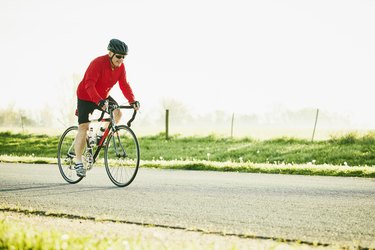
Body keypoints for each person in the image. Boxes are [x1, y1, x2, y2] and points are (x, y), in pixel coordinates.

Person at [74, 38, 140, 177]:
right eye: (118, 56)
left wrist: (132, 101)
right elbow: (89, 85)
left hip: (103, 96)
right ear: (110, 53)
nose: (121, 59)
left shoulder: (121, 67)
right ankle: (78, 161)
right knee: (83, 127)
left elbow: (124, 85)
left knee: (117, 113)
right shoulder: (97, 63)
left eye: (123, 57)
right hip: (86, 95)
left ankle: (98, 137)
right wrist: (98, 101)